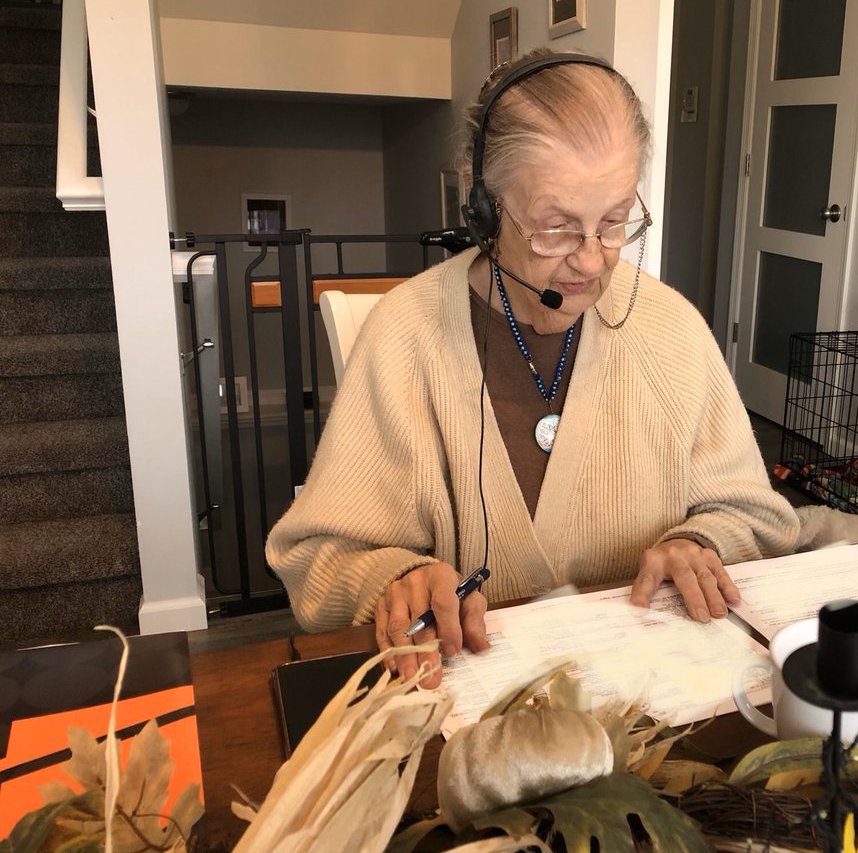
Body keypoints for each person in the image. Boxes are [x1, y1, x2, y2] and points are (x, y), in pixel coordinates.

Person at [266, 49, 801, 686]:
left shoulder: (670, 327)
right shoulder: (405, 334)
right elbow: (321, 557)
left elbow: (757, 516)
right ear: (484, 211)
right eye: (555, 227)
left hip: (655, 696)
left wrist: (704, 543)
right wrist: (395, 579)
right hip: (467, 711)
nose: (593, 262)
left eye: (614, 222)